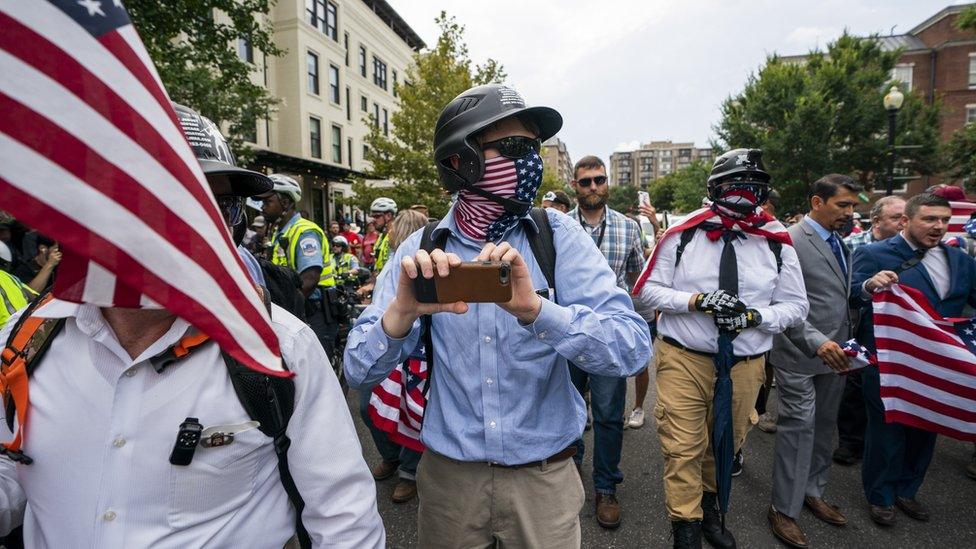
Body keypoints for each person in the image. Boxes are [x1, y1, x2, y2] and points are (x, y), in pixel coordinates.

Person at [0, 103, 384, 548]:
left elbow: (344, 519)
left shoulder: (280, 347)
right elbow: (11, 471)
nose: (189, 227)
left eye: (217, 205)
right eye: (161, 200)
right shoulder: (24, 340)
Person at [345, 83, 651, 548]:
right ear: (458, 160)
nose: (531, 160)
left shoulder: (559, 237)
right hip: (450, 484)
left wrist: (538, 311)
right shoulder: (421, 248)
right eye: (514, 148)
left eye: (534, 148)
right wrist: (399, 316)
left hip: (544, 482)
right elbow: (357, 370)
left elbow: (631, 348)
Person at [636, 148, 808, 549]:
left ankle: (711, 508)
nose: (743, 193)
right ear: (714, 188)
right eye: (734, 185)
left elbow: (797, 305)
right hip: (684, 357)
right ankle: (686, 524)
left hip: (746, 362)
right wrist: (697, 301)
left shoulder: (776, 241)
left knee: (726, 442)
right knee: (682, 446)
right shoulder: (684, 233)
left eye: (753, 185)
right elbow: (644, 292)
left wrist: (754, 317)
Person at [851, 192, 976, 527]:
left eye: (944, 220)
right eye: (929, 219)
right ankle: (881, 496)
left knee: (927, 428)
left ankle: (908, 489)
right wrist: (868, 285)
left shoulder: (961, 260)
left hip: (939, 366)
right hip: (888, 361)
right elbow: (851, 294)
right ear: (906, 221)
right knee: (887, 431)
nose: (938, 226)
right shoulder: (874, 253)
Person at [767, 174, 861, 548]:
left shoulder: (841, 242)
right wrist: (815, 341)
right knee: (798, 429)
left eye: (854, 205)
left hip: (838, 355)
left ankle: (813, 491)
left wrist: (867, 288)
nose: (850, 212)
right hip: (798, 354)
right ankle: (783, 509)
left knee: (824, 428)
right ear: (817, 203)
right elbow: (780, 302)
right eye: (843, 205)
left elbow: (836, 292)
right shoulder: (789, 240)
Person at [566, 155, 646, 529]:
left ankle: (605, 487)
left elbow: (636, 276)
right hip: (567, 334)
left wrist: (643, 327)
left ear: (608, 182)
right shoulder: (559, 227)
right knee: (566, 409)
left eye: (599, 180)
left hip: (609, 335)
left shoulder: (628, 228)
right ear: (574, 186)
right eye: (586, 182)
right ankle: (568, 476)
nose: (594, 187)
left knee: (610, 416)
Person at [358, 208, 430, 504]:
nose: (386, 231)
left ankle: (410, 472)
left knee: (412, 407)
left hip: (409, 346)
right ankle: (392, 456)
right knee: (367, 406)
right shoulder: (391, 258)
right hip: (381, 340)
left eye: (393, 226)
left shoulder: (416, 260)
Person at [833, 195, 907, 466]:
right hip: (855, 324)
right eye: (897, 217)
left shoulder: (916, 253)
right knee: (854, 383)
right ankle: (851, 442)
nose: (903, 223)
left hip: (892, 332)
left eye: (906, 217)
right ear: (876, 220)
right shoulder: (850, 245)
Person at [262, 175, 339, 359]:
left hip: (314, 309)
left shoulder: (304, 231)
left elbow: (310, 278)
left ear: (286, 202)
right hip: (293, 308)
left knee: (316, 369)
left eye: (268, 202)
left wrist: (287, 311)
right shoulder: (279, 232)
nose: (263, 207)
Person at [0, 241, 36, 327]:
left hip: (8, 332)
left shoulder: (10, 278)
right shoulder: (12, 278)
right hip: (20, 329)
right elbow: (36, 298)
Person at [369, 197, 397, 273]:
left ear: (388, 216)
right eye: (372, 216)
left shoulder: (396, 236)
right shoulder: (381, 236)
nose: (373, 220)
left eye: (377, 216)